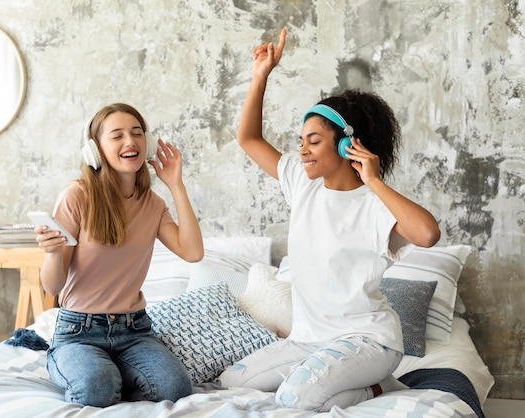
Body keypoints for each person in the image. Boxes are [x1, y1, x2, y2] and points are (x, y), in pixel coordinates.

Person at [217, 29, 441, 412]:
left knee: (295, 397)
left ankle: (377, 387)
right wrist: (261, 75)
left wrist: (372, 178)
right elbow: (249, 139)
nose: (301, 150)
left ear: (345, 144)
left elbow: (428, 234)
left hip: (369, 341)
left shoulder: (375, 204)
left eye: (313, 141)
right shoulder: (303, 186)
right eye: (301, 140)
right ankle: (354, 382)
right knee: (232, 379)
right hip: (308, 340)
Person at [35, 103, 204, 407]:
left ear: (148, 143)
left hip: (134, 330)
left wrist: (176, 185)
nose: (131, 142)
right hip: (79, 331)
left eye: (137, 134)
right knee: (97, 389)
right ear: (95, 150)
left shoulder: (152, 204)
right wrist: (51, 254)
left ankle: (112, 372)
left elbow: (192, 252)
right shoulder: (77, 196)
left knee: (175, 387)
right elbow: (52, 287)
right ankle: (77, 365)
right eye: (117, 136)